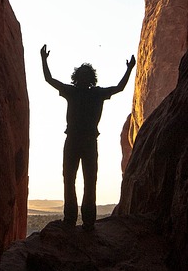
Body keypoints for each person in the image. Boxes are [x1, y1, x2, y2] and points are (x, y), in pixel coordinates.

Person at [40, 44, 135, 231]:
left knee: (70, 178)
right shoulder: (97, 93)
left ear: (78, 78)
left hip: (74, 140)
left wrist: (44, 59)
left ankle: (70, 219)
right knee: (89, 180)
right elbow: (120, 88)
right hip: (89, 142)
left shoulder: (73, 91)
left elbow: (49, 79)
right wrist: (129, 69)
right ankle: (88, 221)